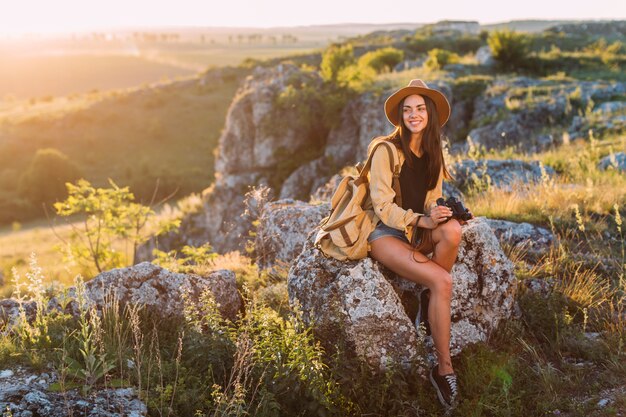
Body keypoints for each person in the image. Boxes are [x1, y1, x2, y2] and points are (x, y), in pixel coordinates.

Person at [366, 79, 470, 409]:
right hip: (386, 235)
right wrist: (421, 221)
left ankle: (428, 298)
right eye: (407, 109)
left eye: (420, 109)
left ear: (430, 115)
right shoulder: (384, 149)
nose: (414, 114)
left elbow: (427, 201)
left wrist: (436, 212)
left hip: (415, 233)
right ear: (400, 116)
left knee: (453, 229)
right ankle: (444, 369)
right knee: (444, 279)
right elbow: (382, 206)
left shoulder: (432, 153)